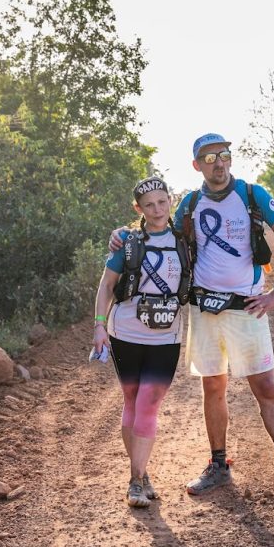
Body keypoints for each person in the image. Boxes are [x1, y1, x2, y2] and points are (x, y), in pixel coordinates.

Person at [110, 133, 274, 504]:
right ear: (197, 165)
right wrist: (122, 233)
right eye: (209, 158)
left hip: (246, 309)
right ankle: (218, 465)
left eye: (223, 155)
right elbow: (155, 228)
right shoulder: (189, 203)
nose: (218, 162)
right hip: (204, 310)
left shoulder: (252, 195)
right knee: (213, 388)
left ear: (230, 159)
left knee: (266, 389)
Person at [93, 176, 191, 508]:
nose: (157, 209)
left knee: (148, 403)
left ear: (170, 202)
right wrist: (99, 326)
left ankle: (136, 480)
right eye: (149, 205)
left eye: (162, 202)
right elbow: (106, 286)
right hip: (126, 332)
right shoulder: (128, 243)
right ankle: (140, 474)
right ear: (138, 209)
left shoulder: (184, 241)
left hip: (168, 335)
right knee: (132, 401)